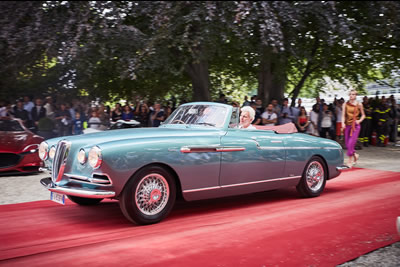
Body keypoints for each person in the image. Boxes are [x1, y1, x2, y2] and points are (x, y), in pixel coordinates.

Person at [341, 90, 365, 167]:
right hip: (347, 125)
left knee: (351, 143)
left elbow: (363, 115)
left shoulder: (359, 104)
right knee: (347, 144)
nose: (351, 96)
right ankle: (355, 155)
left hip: (355, 126)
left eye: (353, 94)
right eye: (350, 94)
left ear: (356, 95)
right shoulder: (345, 104)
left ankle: (349, 161)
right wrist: (342, 123)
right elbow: (343, 115)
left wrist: (359, 120)